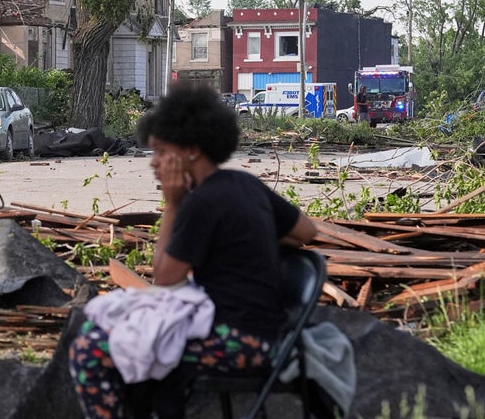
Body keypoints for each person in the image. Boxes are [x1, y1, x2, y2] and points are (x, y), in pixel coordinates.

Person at [68, 83, 317, 419]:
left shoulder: (201, 202)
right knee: (123, 340)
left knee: (90, 347)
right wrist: (243, 243)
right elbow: (306, 231)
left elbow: (166, 278)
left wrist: (172, 203)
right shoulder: (243, 183)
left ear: (192, 150)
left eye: (160, 151)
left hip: (239, 343)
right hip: (265, 335)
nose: (154, 163)